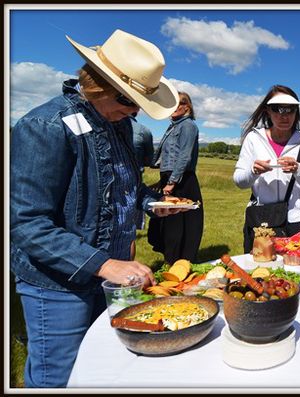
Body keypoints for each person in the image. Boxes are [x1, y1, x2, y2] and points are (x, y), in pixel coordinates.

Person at [10, 29, 185, 387]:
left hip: (111, 280)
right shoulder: (44, 126)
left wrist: (151, 204)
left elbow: (124, 189)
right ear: (99, 86)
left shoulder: (119, 126)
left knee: (103, 370)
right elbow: (27, 224)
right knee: (59, 377)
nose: (135, 112)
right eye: (129, 100)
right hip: (60, 285)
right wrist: (105, 264)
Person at [233, 85, 300, 253]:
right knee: (260, 271)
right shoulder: (253, 139)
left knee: (297, 271)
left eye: (290, 110)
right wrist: (254, 171)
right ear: (267, 110)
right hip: (261, 220)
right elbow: (239, 181)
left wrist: (299, 170)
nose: (284, 116)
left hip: (296, 220)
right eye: (277, 109)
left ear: (297, 112)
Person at [149, 91, 204, 264]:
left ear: (186, 107)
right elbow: (166, 157)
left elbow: (184, 157)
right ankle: (171, 260)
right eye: (170, 102)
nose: (173, 107)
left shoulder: (188, 125)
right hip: (171, 179)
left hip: (182, 181)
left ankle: (181, 262)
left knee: (181, 224)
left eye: (178, 103)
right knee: (169, 222)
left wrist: (172, 182)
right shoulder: (173, 126)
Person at [129, 112, 154, 259]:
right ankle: (127, 275)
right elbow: (148, 160)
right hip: (134, 184)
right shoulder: (143, 130)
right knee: (128, 232)